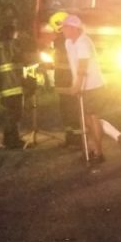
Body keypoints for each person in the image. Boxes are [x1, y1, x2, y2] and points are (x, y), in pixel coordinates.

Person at [60, 14, 121, 164]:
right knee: (88, 120)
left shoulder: (83, 43)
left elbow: (82, 68)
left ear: (73, 28)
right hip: (84, 87)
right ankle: (118, 138)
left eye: (65, 28)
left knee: (92, 118)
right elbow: (75, 65)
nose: (62, 31)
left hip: (93, 86)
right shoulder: (69, 43)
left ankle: (98, 153)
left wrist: (76, 86)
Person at [0, 21, 25, 149]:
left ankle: (8, 140)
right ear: (11, 33)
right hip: (13, 83)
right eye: (16, 33)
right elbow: (20, 58)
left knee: (9, 113)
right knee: (15, 114)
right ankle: (12, 140)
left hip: (1, 85)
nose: (17, 36)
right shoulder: (10, 45)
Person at [48, 11, 82, 147]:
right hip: (65, 79)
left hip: (66, 79)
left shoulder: (63, 41)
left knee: (70, 108)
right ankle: (72, 137)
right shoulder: (68, 40)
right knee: (69, 108)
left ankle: (76, 138)